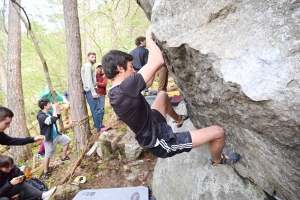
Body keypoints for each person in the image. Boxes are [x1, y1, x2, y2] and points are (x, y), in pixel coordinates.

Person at [102, 29, 240, 165]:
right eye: (131, 67)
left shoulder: (115, 91)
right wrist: (149, 39)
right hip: (161, 141)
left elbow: (148, 81)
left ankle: (179, 120)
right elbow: (158, 61)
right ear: (120, 68)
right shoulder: (126, 88)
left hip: (153, 122)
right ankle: (217, 160)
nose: (133, 70)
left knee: (162, 95)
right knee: (218, 132)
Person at [37, 98, 71, 180]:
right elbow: (51, 120)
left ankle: (63, 157)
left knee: (67, 140)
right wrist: (55, 108)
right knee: (47, 155)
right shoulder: (41, 116)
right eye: (49, 104)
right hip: (49, 138)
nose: (50, 104)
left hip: (56, 135)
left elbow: (57, 116)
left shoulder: (48, 112)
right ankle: (45, 172)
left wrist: (57, 108)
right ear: (45, 106)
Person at [81, 52, 103, 132]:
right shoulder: (88, 66)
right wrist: (93, 91)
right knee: (95, 110)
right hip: (90, 91)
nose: (94, 58)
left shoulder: (90, 66)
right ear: (88, 58)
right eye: (92, 57)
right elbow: (88, 80)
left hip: (91, 90)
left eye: (95, 57)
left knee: (96, 109)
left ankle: (100, 125)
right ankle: (99, 127)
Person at [96, 64, 110, 132]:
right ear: (96, 68)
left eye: (100, 67)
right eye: (98, 67)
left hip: (102, 94)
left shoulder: (104, 75)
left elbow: (104, 84)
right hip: (95, 94)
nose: (99, 68)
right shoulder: (94, 75)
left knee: (101, 109)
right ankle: (98, 124)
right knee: (96, 110)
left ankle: (100, 124)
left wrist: (97, 83)